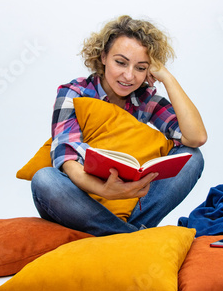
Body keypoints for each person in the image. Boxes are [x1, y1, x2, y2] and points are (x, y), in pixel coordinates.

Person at [31, 15, 207, 236]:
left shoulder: (145, 99)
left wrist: (167, 78)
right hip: (81, 200)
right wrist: (105, 190)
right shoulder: (74, 93)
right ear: (103, 56)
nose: (129, 76)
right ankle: (134, 238)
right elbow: (67, 160)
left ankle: (119, 236)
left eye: (140, 67)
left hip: (129, 202)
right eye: (121, 62)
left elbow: (196, 137)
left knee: (193, 156)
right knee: (44, 180)